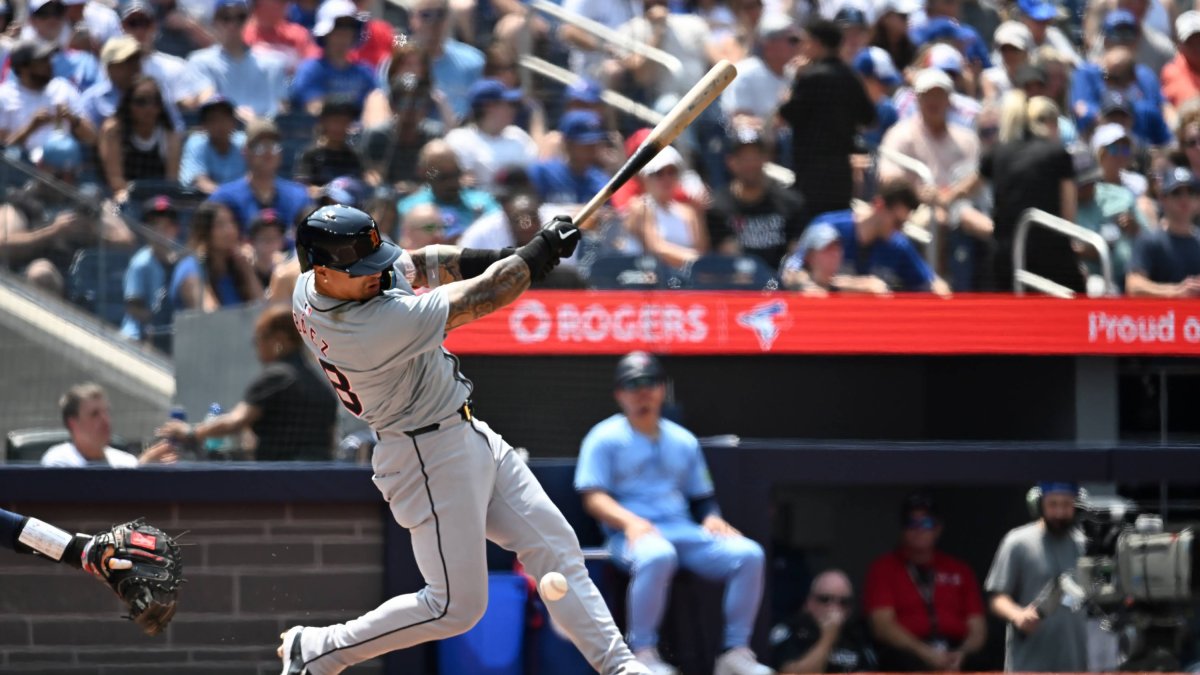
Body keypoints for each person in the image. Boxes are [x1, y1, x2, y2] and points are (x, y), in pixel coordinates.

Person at [277, 204, 652, 675]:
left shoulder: (318, 283)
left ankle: (621, 667)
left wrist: (509, 254)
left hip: (465, 432)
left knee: (555, 546)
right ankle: (320, 650)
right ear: (322, 270)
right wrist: (536, 257)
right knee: (454, 605)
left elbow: (424, 262)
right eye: (361, 270)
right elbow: (486, 296)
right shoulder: (366, 327)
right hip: (424, 454)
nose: (376, 275)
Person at [576, 351, 770, 675]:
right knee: (658, 555)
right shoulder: (603, 437)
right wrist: (631, 522)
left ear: (662, 389)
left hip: (683, 530)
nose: (643, 391)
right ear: (619, 394)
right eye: (633, 385)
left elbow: (702, 498)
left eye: (650, 383)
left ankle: (734, 654)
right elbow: (592, 496)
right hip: (629, 536)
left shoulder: (683, 440)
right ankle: (642, 654)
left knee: (749, 554)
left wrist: (711, 517)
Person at [157, 304, 338, 461]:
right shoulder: (322, 387)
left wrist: (191, 433)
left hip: (281, 481)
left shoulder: (275, 378)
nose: (256, 346)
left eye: (259, 338)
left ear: (279, 339)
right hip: (318, 484)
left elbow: (237, 421)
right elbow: (330, 441)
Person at [864, 492, 986, 671]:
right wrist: (925, 653)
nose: (919, 529)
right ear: (902, 529)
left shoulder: (960, 570)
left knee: (985, 662)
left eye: (926, 523)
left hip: (956, 649)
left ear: (938, 529)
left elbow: (978, 628)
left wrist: (962, 653)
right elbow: (882, 626)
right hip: (910, 651)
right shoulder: (883, 568)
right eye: (911, 523)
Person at [780, 18, 875, 223]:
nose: (802, 47)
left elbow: (785, 115)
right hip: (841, 172)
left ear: (817, 43)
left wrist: (794, 84)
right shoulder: (850, 76)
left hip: (810, 171)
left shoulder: (810, 78)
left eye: (805, 42)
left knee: (811, 228)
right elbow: (869, 118)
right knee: (836, 226)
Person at [779, 179, 949, 294]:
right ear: (879, 205)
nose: (899, 230)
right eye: (896, 222)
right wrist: (857, 286)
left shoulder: (897, 245)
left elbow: (934, 285)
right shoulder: (828, 227)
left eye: (903, 225)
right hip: (825, 321)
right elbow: (791, 272)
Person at [981, 92, 1079, 292]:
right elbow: (1069, 215)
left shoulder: (997, 152)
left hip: (1007, 257)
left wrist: (942, 197)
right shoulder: (1058, 153)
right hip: (1052, 256)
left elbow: (970, 184)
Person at [985, 482, 1088, 672]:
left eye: (1066, 505)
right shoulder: (1017, 542)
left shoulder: (1085, 545)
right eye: (1053, 504)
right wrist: (1017, 615)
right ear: (1039, 505)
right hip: (1029, 664)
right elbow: (997, 597)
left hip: (1075, 662)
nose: (1059, 513)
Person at [707, 126, 805, 270]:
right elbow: (723, 255)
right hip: (738, 287)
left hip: (780, 285)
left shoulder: (790, 203)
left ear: (766, 159)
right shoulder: (718, 208)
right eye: (744, 158)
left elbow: (796, 252)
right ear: (730, 162)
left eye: (755, 157)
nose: (750, 164)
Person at [187, 0, 289, 120]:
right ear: (215, 21)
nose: (233, 24)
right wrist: (238, 114)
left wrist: (258, 124)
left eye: (240, 17)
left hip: (264, 133)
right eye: (226, 17)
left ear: (249, 19)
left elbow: (282, 107)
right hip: (221, 132)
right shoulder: (200, 61)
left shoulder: (273, 63)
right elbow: (207, 98)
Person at [209, 119, 311, 233]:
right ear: (245, 152)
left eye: (273, 145)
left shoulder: (298, 196)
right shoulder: (224, 197)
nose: (268, 152)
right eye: (259, 146)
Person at [0, 40, 94, 162]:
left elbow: (92, 138)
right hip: (24, 171)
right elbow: (4, 153)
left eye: (48, 59)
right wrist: (32, 127)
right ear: (23, 68)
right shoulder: (4, 95)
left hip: (66, 167)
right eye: (42, 61)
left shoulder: (62, 87)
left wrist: (72, 118)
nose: (49, 64)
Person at [41, 383, 176, 466]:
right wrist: (139, 472)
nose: (105, 419)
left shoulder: (126, 461)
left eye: (106, 412)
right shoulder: (58, 461)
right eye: (95, 414)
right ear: (73, 423)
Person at [770, 570, 877, 673]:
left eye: (844, 602)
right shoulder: (790, 630)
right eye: (825, 599)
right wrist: (828, 637)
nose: (834, 607)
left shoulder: (857, 634)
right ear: (809, 602)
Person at [444, 79, 537, 193]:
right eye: (508, 104)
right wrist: (456, 180)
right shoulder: (458, 139)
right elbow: (433, 173)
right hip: (479, 205)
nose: (513, 109)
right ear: (488, 106)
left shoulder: (518, 135)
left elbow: (537, 170)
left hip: (520, 202)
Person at [97, 75, 181, 203]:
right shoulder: (114, 131)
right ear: (128, 103)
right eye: (141, 101)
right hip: (124, 196)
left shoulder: (169, 135)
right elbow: (116, 181)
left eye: (155, 102)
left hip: (160, 199)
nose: (149, 108)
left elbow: (171, 182)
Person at [624, 146, 710, 269]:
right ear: (645, 177)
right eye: (659, 173)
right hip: (647, 281)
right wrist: (696, 261)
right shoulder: (639, 207)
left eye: (672, 172)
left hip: (684, 283)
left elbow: (702, 250)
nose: (667, 179)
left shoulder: (689, 213)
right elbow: (655, 247)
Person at [396, 139, 499, 241]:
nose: (452, 183)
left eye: (455, 174)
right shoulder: (411, 209)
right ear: (425, 174)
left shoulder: (483, 202)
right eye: (443, 177)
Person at [170, 200, 263, 311]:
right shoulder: (191, 268)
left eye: (232, 222)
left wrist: (247, 271)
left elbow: (263, 310)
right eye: (220, 225)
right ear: (204, 232)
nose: (230, 231)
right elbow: (211, 316)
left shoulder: (237, 265)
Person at [118, 0, 212, 110]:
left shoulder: (175, 66)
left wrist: (203, 94)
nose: (139, 30)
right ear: (122, 28)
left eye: (145, 23)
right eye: (132, 23)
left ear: (155, 26)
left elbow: (187, 103)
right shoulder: (115, 68)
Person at [289, 0, 376, 114]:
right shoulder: (311, 70)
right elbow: (314, 108)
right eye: (337, 30)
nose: (343, 37)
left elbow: (377, 101)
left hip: (361, 130)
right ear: (325, 34)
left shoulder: (365, 72)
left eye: (348, 29)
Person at [403, 0, 484, 120]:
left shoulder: (473, 61)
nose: (434, 23)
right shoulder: (399, 63)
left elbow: (486, 108)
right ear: (412, 20)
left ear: (449, 19)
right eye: (426, 15)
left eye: (440, 14)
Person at [1126, 166, 1200, 297]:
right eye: (1177, 192)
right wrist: (1176, 292)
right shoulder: (1149, 240)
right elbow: (1134, 285)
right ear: (1163, 198)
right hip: (1162, 315)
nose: (1185, 198)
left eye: (1191, 192)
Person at [120, 195, 181, 350]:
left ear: (176, 229)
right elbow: (134, 308)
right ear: (145, 230)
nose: (160, 232)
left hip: (171, 332)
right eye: (154, 225)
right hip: (138, 334)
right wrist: (159, 323)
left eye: (167, 226)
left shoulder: (181, 261)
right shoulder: (140, 263)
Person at [720, 13, 801, 130]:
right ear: (769, 44)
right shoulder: (744, 72)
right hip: (754, 145)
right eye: (792, 40)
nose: (798, 45)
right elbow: (738, 121)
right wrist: (772, 124)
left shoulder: (795, 74)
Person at [529, 110, 611, 207]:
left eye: (595, 144)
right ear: (568, 143)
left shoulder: (601, 182)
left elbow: (607, 216)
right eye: (585, 144)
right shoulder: (542, 173)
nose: (591, 149)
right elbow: (527, 211)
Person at [179, 96, 246, 193]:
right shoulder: (196, 143)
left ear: (234, 122)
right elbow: (200, 182)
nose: (220, 124)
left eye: (225, 118)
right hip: (206, 204)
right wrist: (230, 197)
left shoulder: (244, 143)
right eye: (213, 119)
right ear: (204, 126)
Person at [294, 98, 364, 189]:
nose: (339, 127)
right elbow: (301, 187)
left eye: (344, 122)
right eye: (335, 122)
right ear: (324, 122)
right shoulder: (311, 155)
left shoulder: (355, 157)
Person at [242, 0, 320, 72]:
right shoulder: (241, 36)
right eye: (280, 1)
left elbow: (315, 63)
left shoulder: (298, 35)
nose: (286, 5)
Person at [1162, 12, 1200, 110]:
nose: (1197, 47)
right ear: (1179, 46)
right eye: (1190, 42)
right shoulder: (1172, 73)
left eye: (1199, 39)